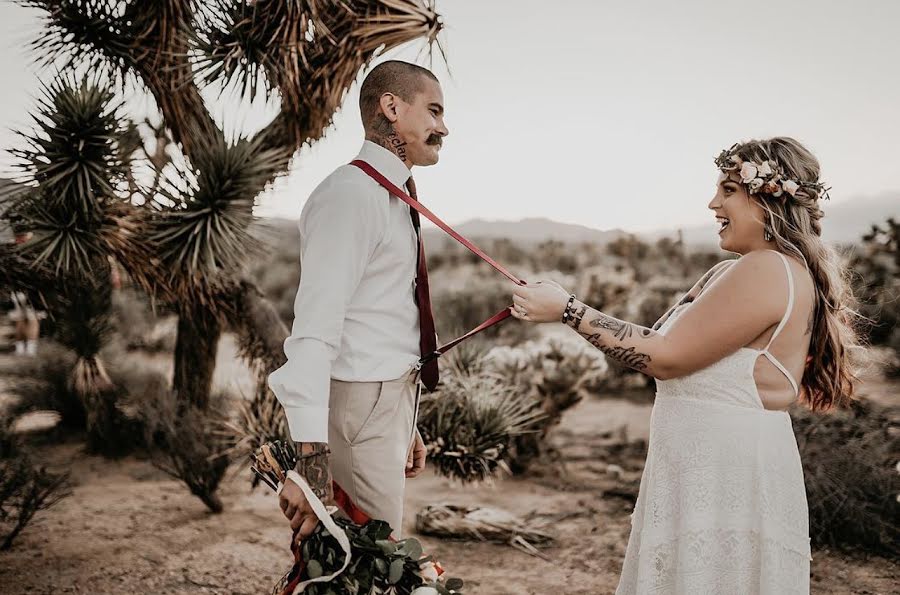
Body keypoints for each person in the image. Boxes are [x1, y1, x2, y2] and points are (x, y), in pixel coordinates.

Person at [510, 137, 860, 594]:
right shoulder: (736, 269)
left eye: (728, 190)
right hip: (701, 470)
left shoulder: (769, 268)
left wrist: (569, 310)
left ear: (768, 198)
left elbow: (666, 358)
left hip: (724, 478)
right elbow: (661, 340)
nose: (713, 202)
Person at [268, 60, 449, 541]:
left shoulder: (391, 194)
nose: (443, 127)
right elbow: (313, 333)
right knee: (365, 569)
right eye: (433, 111)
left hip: (384, 405)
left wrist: (403, 423)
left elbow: (381, 318)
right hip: (357, 407)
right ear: (392, 107)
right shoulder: (350, 195)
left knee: (367, 566)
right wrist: (311, 472)